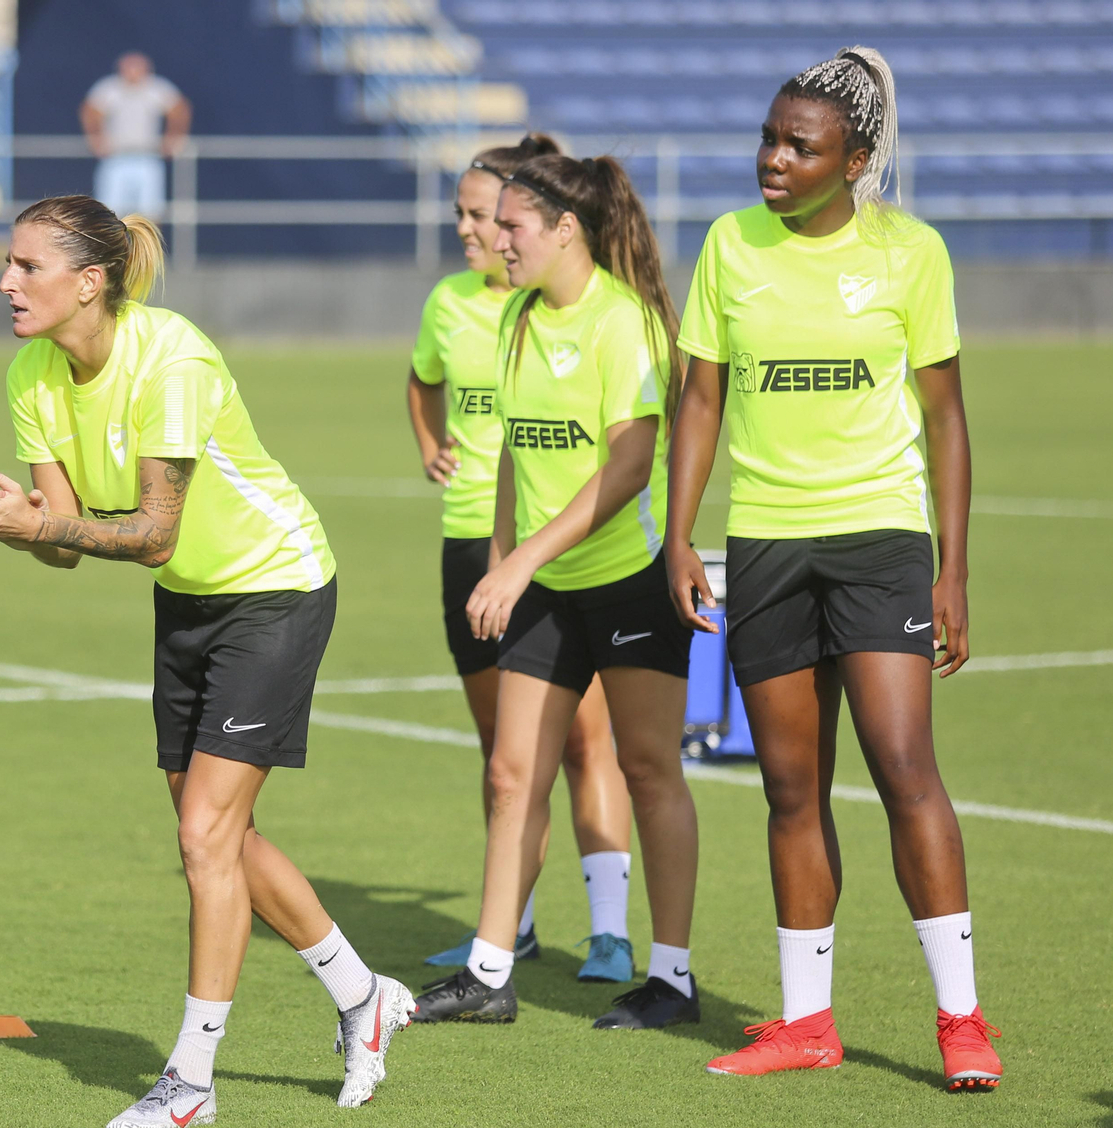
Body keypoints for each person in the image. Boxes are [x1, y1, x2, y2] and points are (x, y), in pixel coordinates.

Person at [0, 195, 413, 1126]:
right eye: (7, 263)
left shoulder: (175, 356)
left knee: (204, 835)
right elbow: (68, 546)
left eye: (26, 266)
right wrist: (23, 532)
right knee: (218, 838)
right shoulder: (32, 374)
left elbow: (153, 533)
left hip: (277, 583)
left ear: (90, 282)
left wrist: (46, 524)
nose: (5, 282)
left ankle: (189, 1086)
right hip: (191, 601)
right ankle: (367, 999)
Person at [666, 47, 1003, 1090]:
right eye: (768, 137)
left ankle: (960, 1022)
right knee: (787, 787)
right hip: (766, 543)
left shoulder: (910, 255)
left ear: (853, 160)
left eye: (797, 146)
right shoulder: (728, 245)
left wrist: (949, 572)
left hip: (877, 539)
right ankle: (805, 1023)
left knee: (905, 770)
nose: (773, 158)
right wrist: (680, 535)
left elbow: (946, 418)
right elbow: (701, 400)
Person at [411, 153, 704, 1031]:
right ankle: (491, 972)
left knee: (649, 769)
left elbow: (624, 469)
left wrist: (518, 558)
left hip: (627, 585)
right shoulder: (517, 321)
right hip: (541, 585)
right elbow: (511, 449)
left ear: (565, 228)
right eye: (493, 225)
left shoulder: (627, 324)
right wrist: (504, 551)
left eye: (511, 227)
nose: (493, 241)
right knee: (510, 773)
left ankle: (673, 978)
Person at [81, 52, 191, 220]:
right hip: (115, 157)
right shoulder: (109, 88)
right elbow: (89, 110)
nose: (133, 71)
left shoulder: (157, 88)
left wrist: (174, 138)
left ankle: (148, 247)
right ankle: (112, 247)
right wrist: (95, 137)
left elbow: (180, 109)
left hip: (147, 157)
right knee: (109, 212)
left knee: (151, 212)